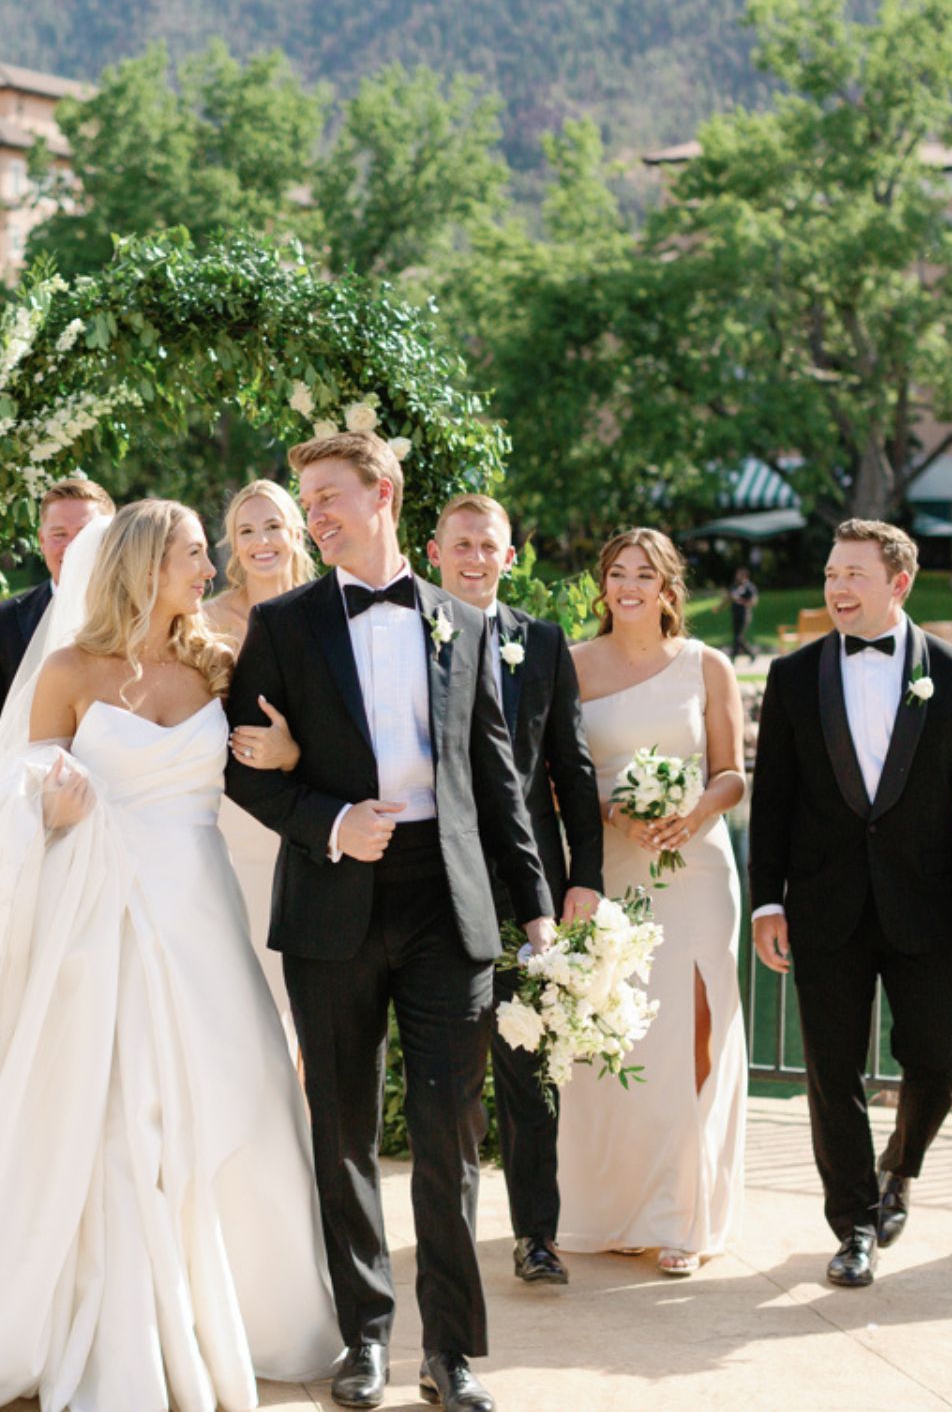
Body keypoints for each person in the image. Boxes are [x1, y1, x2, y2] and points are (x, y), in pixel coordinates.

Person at [0, 500, 339, 1411]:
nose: (212, 569)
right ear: (150, 565)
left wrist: (294, 746)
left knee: (245, 1089)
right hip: (97, 914)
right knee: (110, 1110)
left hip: (198, 911)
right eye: (197, 554)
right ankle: (111, 1325)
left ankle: (244, 1311)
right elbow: (12, 800)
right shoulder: (68, 671)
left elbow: (266, 768)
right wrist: (49, 806)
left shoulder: (217, 664)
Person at [226, 432, 557, 1412]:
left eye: (328, 497)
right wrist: (328, 821)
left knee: (452, 1138)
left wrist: (534, 906)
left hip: (444, 906)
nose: (313, 517)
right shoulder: (282, 625)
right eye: (306, 502)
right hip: (332, 904)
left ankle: (448, 1353)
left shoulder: (460, 619)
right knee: (343, 1131)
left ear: (382, 495)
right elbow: (241, 763)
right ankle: (364, 1338)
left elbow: (496, 776)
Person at [749, 518, 952, 1289]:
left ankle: (902, 1166)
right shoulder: (794, 674)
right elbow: (773, 802)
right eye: (832, 573)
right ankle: (855, 1225)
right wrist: (768, 900)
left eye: (853, 575)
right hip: (823, 906)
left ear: (898, 584)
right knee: (832, 1073)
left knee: (938, 1058)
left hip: (928, 905)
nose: (836, 587)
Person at [425, 493, 604, 1287]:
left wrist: (584, 879)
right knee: (450, 1073)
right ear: (433, 552)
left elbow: (572, 766)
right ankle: (450, 1235)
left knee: (528, 1070)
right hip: (432, 882)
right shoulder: (410, 636)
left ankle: (536, 1234)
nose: (474, 557)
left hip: (528, 885)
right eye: (460, 543)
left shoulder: (543, 641)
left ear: (508, 554)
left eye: (488, 545)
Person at [560, 528, 749, 1276]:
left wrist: (696, 812)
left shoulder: (709, 665)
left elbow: (732, 773)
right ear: (603, 585)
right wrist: (618, 814)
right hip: (614, 866)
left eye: (645, 574)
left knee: (697, 1028)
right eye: (616, 573)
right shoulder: (571, 665)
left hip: (698, 866)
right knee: (622, 1036)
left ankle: (684, 1212)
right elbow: (558, 774)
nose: (629, 585)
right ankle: (616, 1207)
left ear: (669, 587)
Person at [206, 478, 316, 1057]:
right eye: (246, 531)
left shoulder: (326, 614)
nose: (260, 540)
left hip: (305, 823)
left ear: (296, 532)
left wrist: (293, 753)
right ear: (232, 547)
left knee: (302, 1001)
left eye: (272, 525)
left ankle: (300, 1132)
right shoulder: (203, 624)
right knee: (236, 994)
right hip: (228, 824)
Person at [0, 476, 114, 782]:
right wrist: (12, 802)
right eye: (59, 534)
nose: (71, 546)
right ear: (41, 541)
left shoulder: (140, 621)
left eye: (84, 534)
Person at [726, 566, 758, 661]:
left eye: (739, 574)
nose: (737, 576)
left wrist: (739, 600)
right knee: (737, 637)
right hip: (735, 615)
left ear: (745, 575)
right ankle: (742, 655)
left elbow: (753, 602)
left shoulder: (750, 587)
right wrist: (718, 608)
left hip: (744, 616)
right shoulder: (734, 586)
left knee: (738, 637)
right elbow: (728, 598)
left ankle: (738, 656)